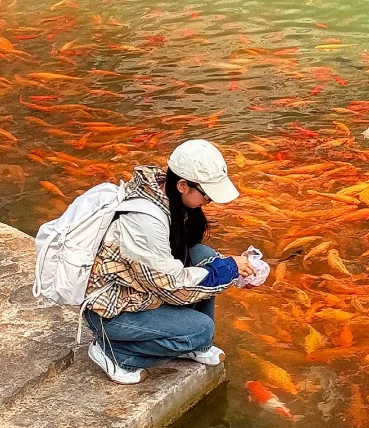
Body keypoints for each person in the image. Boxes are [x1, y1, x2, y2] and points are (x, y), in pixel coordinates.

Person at [82, 139, 258, 384]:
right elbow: (176, 288)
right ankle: (115, 352)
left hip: (142, 289)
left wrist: (230, 271)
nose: (210, 203)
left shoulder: (167, 193)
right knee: (202, 330)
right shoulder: (144, 222)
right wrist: (228, 268)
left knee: (204, 256)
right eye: (207, 195)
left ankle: (189, 343)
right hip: (114, 310)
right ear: (183, 185)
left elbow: (183, 263)